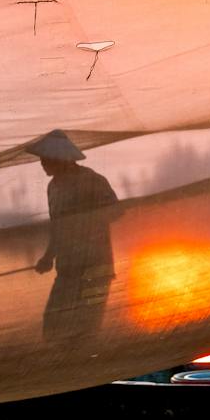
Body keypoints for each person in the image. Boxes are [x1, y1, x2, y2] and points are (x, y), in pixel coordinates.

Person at [26, 129, 122, 337]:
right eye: (42, 159)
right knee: (55, 321)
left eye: (46, 159)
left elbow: (115, 211)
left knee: (88, 321)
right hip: (68, 265)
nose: (42, 163)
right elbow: (58, 227)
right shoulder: (53, 187)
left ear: (61, 159)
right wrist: (48, 257)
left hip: (96, 265)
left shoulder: (91, 179)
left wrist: (84, 221)